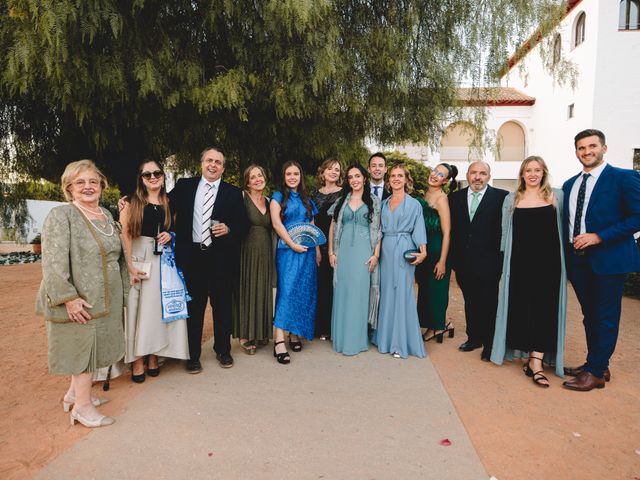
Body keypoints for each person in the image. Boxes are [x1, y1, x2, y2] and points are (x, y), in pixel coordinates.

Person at [35, 160, 128, 427]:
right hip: (80, 298)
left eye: (93, 181)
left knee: (93, 348)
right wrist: (68, 298)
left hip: (105, 296)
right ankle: (82, 408)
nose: (88, 187)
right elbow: (52, 262)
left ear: (102, 185)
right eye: (80, 182)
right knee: (82, 350)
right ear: (69, 188)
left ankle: (74, 394)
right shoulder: (62, 215)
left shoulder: (106, 215)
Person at [562, 129, 640, 391]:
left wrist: (599, 236)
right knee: (590, 315)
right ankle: (597, 363)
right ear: (576, 152)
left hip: (609, 259)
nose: (587, 152)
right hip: (578, 262)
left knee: (605, 316)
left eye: (592, 146)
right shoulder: (570, 185)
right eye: (581, 148)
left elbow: (636, 217)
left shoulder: (624, 178)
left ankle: (595, 373)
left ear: (604, 148)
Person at [169, 147, 249, 373]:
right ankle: (192, 355)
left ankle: (223, 350)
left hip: (221, 258)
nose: (213, 165)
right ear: (202, 163)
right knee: (194, 309)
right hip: (192, 257)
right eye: (209, 160)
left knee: (222, 308)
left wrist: (230, 228)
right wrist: (132, 201)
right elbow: (163, 206)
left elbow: (243, 224)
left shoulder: (232, 192)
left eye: (218, 162)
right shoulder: (185, 186)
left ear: (223, 167)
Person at [490, 156, 567, 387]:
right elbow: (504, 234)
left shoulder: (557, 196)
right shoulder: (511, 199)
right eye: (528, 170)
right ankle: (525, 355)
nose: (533, 174)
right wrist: (504, 265)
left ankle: (537, 361)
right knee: (522, 309)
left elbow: (564, 230)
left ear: (544, 173)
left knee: (545, 310)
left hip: (549, 265)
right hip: (520, 265)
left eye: (537, 170)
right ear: (522, 174)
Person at [120, 160, 189, 383]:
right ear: (141, 178)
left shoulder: (169, 202)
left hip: (163, 262)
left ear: (162, 176)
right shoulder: (132, 202)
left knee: (157, 311)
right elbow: (126, 234)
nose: (152, 177)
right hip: (139, 259)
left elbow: (176, 229)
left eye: (157, 173)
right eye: (147, 174)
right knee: (138, 311)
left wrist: (171, 235)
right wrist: (130, 265)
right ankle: (137, 359)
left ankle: (153, 355)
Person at [449, 161, 508, 361]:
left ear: (488, 176)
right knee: (470, 301)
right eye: (474, 173)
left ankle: (490, 345)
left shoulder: (501, 197)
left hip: (490, 262)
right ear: (467, 175)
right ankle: (474, 338)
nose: (477, 177)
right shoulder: (454, 198)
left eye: (482, 173)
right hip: (463, 262)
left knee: (489, 303)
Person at [372, 164, 427, 358]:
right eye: (393, 176)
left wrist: (423, 251)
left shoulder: (414, 204)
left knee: (403, 294)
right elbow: (377, 230)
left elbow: (419, 228)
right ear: (389, 180)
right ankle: (384, 339)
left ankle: (400, 342)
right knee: (387, 293)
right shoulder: (384, 204)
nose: (396, 179)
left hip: (405, 249)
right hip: (386, 250)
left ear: (406, 180)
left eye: (400, 176)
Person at [328, 164, 381, 355]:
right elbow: (333, 226)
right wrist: (331, 252)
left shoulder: (373, 201)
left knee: (359, 294)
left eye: (357, 176)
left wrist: (375, 255)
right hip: (343, 252)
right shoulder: (342, 200)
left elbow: (378, 230)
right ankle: (341, 338)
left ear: (364, 178)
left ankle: (356, 341)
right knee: (342, 292)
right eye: (350, 177)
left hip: (364, 252)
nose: (354, 180)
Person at [270, 161, 320, 364]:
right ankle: (279, 340)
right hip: (287, 251)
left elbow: (312, 225)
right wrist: (291, 244)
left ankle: (295, 333)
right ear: (283, 176)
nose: (292, 177)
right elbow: (276, 223)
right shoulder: (278, 197)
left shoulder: (308, 199)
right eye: (288, 174)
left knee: (303, 292)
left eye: (296, 174)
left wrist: (317, 250)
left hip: (307, 252)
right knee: (287, 292)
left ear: (301, 176)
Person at [231, 165, 274, 354]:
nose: (258, 179)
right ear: (247, 182)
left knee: (262, 289)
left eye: (260, 175)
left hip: (265, 251)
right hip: (245, 250)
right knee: (247, 289)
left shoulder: (269, 201)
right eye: (253, 177)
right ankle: (245, 335)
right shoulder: (241, 198)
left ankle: (261, 331)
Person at [416, 163, 458, 343]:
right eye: (435, 171)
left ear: (445, 181)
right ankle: (444, 323)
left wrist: (442, 261)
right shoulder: (424, 195)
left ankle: (436, 328)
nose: (435, 175)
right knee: (425, 289)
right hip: (423, 249)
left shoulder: (442, 199)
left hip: (438, 248)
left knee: (436, 290)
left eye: (440, 174)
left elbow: (447, 233)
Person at [311, 158, 343, 340]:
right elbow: (311, 222)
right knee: (319, 285)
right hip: (317, 244)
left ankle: (332, 327)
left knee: (334, 286)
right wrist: (316, 247)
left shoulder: (343, 193)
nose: (333, 172)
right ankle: (319, 326)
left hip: (336, 244)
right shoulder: (314, 195)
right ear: (322, 172)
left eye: (337, 170)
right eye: (330, 169)